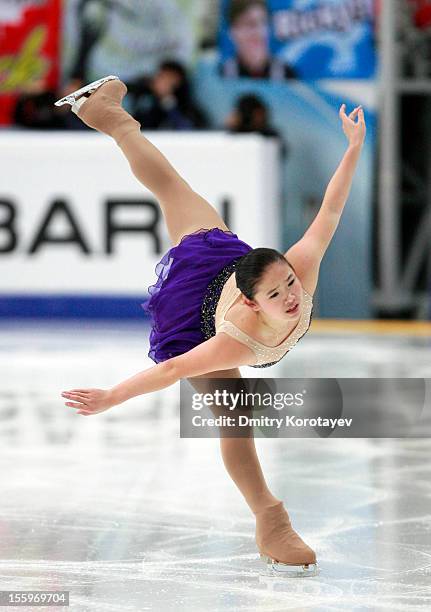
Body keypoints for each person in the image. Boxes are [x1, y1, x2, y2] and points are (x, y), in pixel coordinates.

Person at [56, 77, 366, 575]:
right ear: (251, 302)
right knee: (235, 418)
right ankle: (270, 517)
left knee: (172, 187)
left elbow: (331, 208)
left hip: (228, 262)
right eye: (277, 295)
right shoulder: (229, 344)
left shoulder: (296, 271)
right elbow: (170, 369)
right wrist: (110, 397)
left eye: (289, 284)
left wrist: (352, 147)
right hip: (194, 303)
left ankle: (107, 116)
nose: (291, 297)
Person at [221, 0, 297, 80]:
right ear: (233, 31)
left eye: (263, 22)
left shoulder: (286, 74)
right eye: (250, 24)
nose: (259, 32)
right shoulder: (223, 73)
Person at [125, 61, 208, 130]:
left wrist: (167, 101)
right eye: (161, 77)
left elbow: (189, 129)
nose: (163, 82)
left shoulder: (187, 107)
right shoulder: (142, 97)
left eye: (169, 79)